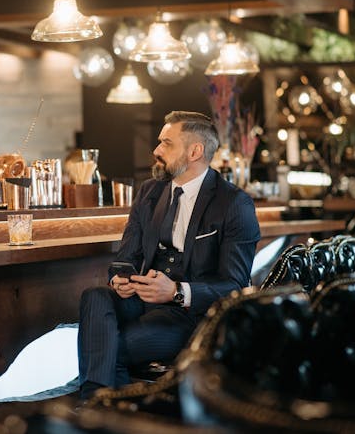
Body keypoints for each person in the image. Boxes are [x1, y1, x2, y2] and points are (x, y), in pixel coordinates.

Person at [77, 110, 261, 399]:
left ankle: (98, 406)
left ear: (194, 151)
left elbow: (235, 286)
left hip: (192, 314)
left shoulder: (234, 203)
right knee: (95, 297)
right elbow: (126, 256)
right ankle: (99, 408)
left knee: (114, 346)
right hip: (142, 300)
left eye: (166, 143)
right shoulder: (149, 192)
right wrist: (119, 279)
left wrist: (176, 292)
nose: (156, 150)